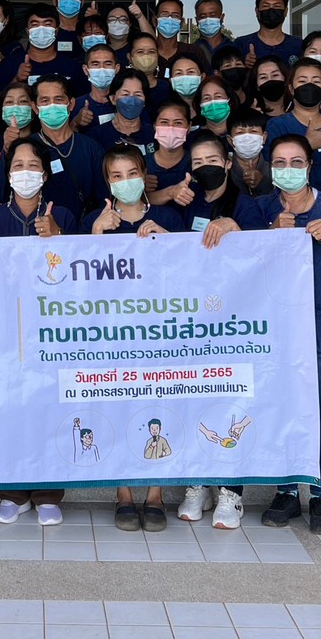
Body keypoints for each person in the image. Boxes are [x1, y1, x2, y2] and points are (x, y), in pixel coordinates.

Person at [254, 134, 321, 536]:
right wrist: (271, 233)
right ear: (270, 167)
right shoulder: (261, 208)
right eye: (280, 162)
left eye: (296, 162)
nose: (288, 169)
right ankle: (285, 491)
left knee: (317, 412)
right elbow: (241, 270)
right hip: (273, 330)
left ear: (310, 166)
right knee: (282, 408)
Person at [80, 145, 185, 532]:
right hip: (110, 335)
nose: (125, 182)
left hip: (157, 334)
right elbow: (79, 286)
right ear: (107, 182)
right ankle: (122, 492)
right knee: (115, 406)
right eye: (116, 176)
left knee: (159, 404)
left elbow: (190, 274)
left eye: (132, 174)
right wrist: (96, 235)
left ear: (144, 174)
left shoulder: (168, 216)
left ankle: (155, 494)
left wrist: (168, 240)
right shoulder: (94, 220)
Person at [174, 131, 266, 532]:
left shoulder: (247, 206)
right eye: (197, 163)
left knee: (230, 402)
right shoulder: (185, 204)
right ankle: (197, 482)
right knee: (191, 399)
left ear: (228, 163)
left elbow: (265, 258)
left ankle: (231, 491)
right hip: (188, 321)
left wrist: (236, 229)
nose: (205, 168)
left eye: (212, 160)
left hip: (232, 321)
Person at [0, 146, 73, 526]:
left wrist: (58, 236)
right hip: (5, 331)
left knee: (48, 405)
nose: (25, 171)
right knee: (10, 407)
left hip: (50, 329)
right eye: (18, 165)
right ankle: (12, 492)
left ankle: (49, 492)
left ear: (45, 174)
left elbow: (80, 271)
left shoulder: (62, 214)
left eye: (33, 165)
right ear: (8, 175)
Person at [0, 75, 106, 222]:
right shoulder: (26, 149)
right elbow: (2, 194)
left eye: (58, 99)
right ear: (35, 107)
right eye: (45, 101)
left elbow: (104, 199)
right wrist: (7, 149)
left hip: (81, 230)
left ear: (71, 104)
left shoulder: (90, 148)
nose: (52, 105)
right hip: (38, 229)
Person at [266, 58, 321, 198]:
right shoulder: (276, 126)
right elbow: (270, 171)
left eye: (316, 81)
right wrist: (307, 145)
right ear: (291, 88)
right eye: (302, 81)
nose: (309, 86)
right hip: (293, 204)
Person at [145, 96, 194, 208]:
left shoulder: (196, 163)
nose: (170, 128)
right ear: (155, 126)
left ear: (189, 127)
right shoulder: (141, 165)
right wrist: (139, 188)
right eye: (164, 122)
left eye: (178, 123)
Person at [91, 68, 154, 150]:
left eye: (137, 95)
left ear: (145, 100)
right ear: (113, 98)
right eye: (125, 94)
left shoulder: (154, 134)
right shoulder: (96, 136)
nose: (131, 101)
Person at [237, 0, 301, 64]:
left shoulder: (299, 45)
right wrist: (241, 64)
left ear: (285, 11)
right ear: (257, 11)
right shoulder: (241, 45)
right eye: (265, 6)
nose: (271, 9)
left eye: (276, 6)